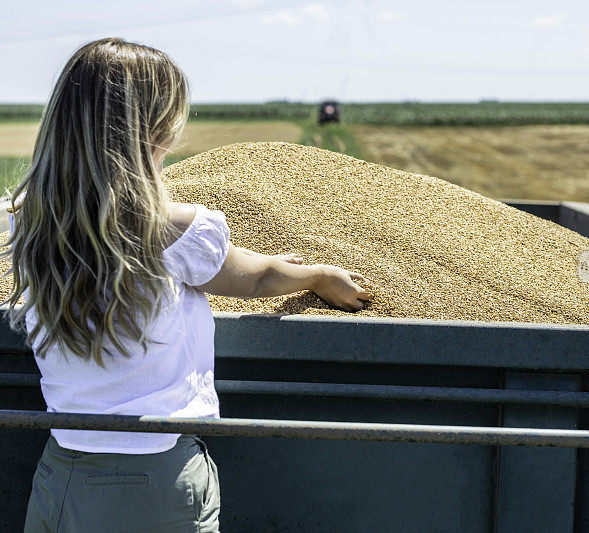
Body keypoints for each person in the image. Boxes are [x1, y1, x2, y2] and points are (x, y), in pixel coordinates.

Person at [2, 37, 373, 532]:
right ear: (154, 131)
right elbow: (257, 277)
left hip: (61, 469)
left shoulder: (26, 222)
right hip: (156, 476)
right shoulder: (172, 229)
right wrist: (320, 275)